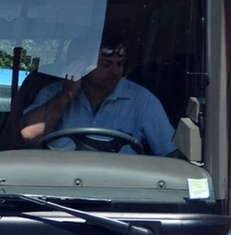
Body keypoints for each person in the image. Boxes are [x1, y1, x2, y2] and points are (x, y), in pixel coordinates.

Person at [19, 36, 177, 156]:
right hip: (60, 186)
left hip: (119, 190)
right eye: (106, 64)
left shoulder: (142, 100)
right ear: (81, 65)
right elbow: (28, 134)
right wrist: (67, 94)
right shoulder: (53, 92)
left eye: (120, 64)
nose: (115, 72)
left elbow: (171, 154)